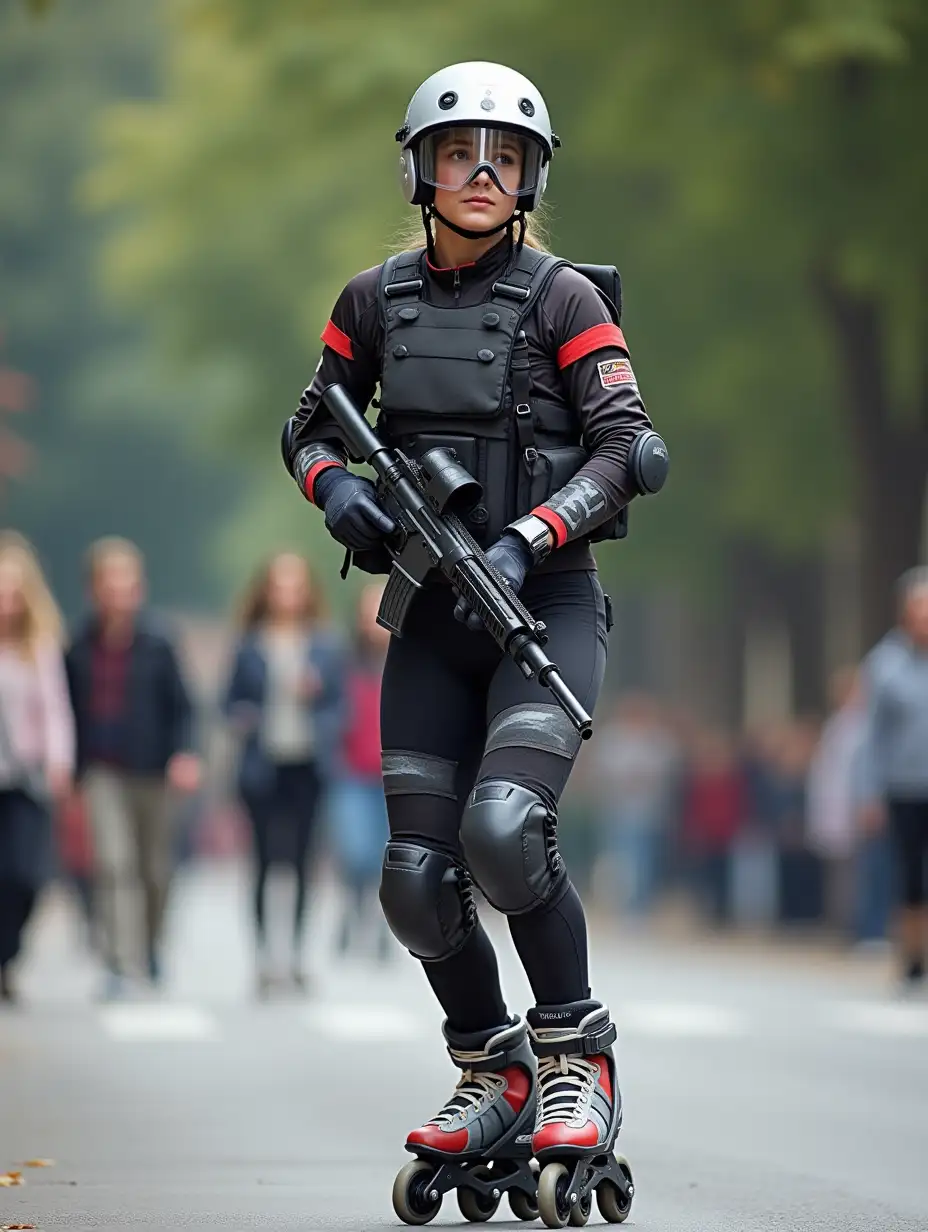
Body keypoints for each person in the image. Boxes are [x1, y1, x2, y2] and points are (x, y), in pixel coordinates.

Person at [281, 62, 663, 1223]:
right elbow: (303, 427)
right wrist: (334, 488)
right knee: (412, 877)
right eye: (459, 153)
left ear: (531, 174)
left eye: (505, 154)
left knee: (504, 831)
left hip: (540, 607)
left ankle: (573, 1060)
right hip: (427, 621)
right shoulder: (367, 300)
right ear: (421, 171)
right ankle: (487, 1065)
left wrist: (530, 536)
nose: (483, 172)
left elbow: (631, 450)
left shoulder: (564, 303)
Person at [65, 537, 201, 1000]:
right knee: (113, 863)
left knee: (154, 869)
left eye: (127, 581)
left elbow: (184, 707)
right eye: (110, 581)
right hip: (102, 770)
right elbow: (67, 709)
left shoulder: (159, 642)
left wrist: (185, 755)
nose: (120, 590)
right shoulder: (78, 645)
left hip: (155, 768)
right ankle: (121, 962)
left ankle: (152, 945)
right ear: (94, 589)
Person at [223, 552, 344, 996]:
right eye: (279, 585)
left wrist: (317, 701)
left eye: (295, 585)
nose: (287, 594)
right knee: (261, 862)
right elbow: (228, 701)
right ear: (266, 591)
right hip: (261, 765)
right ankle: (261, 959)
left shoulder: (325, 644)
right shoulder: (249, 643)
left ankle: (293, 957)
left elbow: (339, 707)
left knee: (300, 861)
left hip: (308, 765)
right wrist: (245, 716)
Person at [0, 535, 74, 1003]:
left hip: (24, 778)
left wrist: (59, 762)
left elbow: (54, 708)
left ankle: (7, 955)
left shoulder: (38, 645)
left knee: (24, 876)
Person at [858, 567, 928, 989]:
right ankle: (912, 956)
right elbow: (873, 737)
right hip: (904, 786)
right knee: (911, 876)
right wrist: (868, 792)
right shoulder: (885, 665)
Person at [328, 582, 392, 961]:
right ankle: (352, 910)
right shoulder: (342, 662)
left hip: (395, 773)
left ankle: (384, 924)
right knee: (355, 852)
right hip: (350, 771)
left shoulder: (413, 658)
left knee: (387, 857)